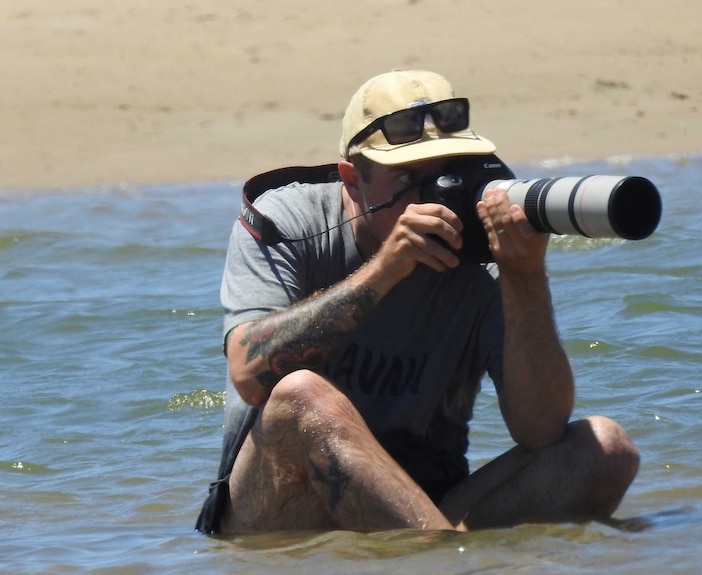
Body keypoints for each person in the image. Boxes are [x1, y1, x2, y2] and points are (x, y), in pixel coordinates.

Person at [195, 69, 639, 534]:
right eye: (409, 176)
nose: (436, 196)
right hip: (279, 513)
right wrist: (387, 269)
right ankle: (444, 559)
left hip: (429, 509)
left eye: (450, 171)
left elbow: (542, 431)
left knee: (605, 449)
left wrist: (523, 275)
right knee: (303, 395)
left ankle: (436, 554)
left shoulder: (480, 255)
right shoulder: (288, 220)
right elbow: (249, 372)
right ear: (352, 179)